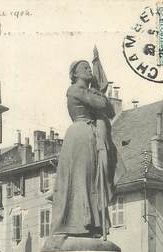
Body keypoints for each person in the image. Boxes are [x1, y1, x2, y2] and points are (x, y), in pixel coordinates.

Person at [50, 59, 123, 238]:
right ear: (74, 74)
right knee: (81, 179)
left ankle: (92, 223)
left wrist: (96, 90)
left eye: (89, 67)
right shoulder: (75, 90)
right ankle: (78, 223)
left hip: (90, 136)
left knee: (91, 179)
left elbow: (110, 110)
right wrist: (97, 90)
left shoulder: (89, 92)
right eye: (84, 68)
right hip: (81, 135)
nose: (89, 70)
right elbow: (102, 105)